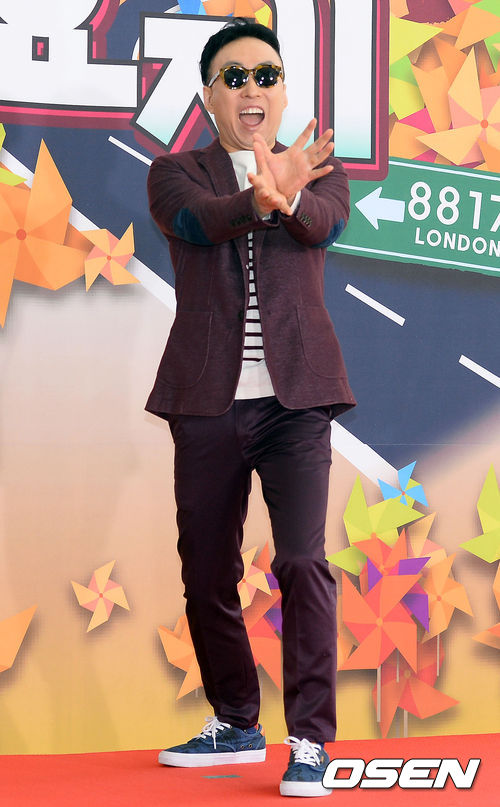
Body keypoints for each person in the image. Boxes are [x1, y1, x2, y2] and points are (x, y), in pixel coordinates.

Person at [146, 17, 355, 798]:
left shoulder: (319, 170)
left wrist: (288, 188)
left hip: (296, 403)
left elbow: (323, 222)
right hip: (206, 401)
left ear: (284, 91)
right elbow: (198, 223)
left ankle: (311, 741)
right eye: (234, 77)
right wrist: (257, 196)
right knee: (206, 569)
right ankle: (235, 720)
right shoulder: (176, 172)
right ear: (209, 96)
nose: (252, 88)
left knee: (303, 561)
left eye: (266, 74)